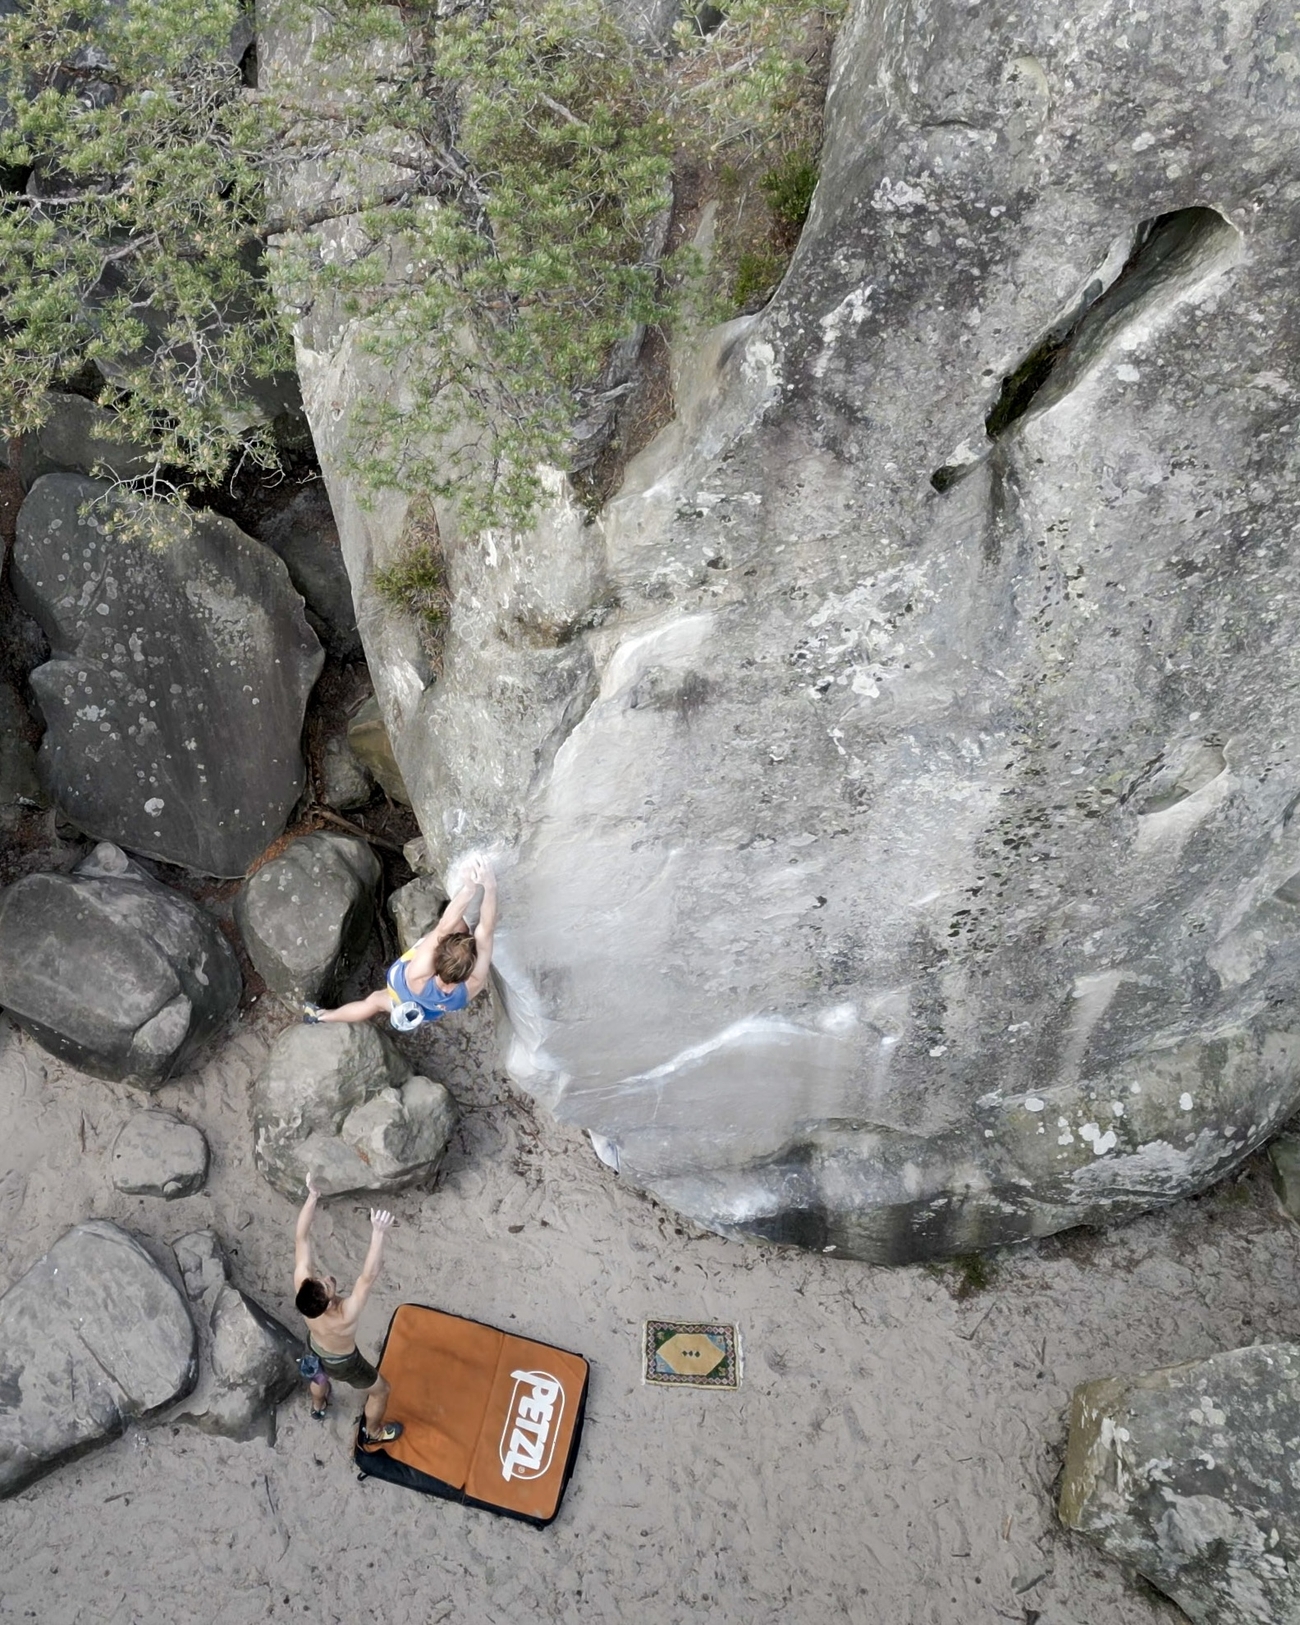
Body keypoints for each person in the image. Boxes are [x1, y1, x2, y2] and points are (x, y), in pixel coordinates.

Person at [302, 858, 497, 1030]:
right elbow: (486, 931)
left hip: (403, 988)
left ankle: (321, 1016)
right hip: (427, 1010)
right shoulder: (472, 984)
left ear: (438, 959)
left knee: (374, 1001)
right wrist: (491, 887)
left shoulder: (418, 975)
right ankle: (322, 1016)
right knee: (463, 926)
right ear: (468, 970)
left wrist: (469, 889)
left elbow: (444, 927)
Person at [293, 1174, 403, 1447]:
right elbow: (367, 1277)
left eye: (321, 1280)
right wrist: (378, 1234)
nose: (327, 1278)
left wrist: (313, 1196)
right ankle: (374, 1432)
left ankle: (318, 1407)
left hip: (315, 1345)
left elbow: (301, 1237)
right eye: (328, 1286)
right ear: (330, 1303)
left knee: (318, 1374)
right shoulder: (344, 1316)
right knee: (381, 1391)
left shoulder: (302, 1288)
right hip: (345, 1363)